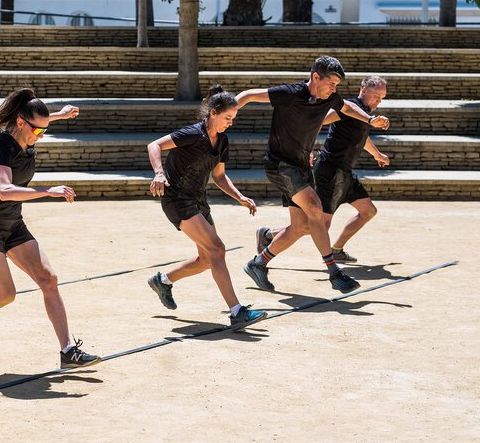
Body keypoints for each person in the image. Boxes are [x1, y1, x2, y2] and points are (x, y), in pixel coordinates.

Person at [0, 88, 101, 369]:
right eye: (38, 131)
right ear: (20, 122)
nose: (42, 135)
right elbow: (4, 190)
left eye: (45, 130)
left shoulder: (29, 133)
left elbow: (39, 123)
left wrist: (60, 115)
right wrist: (47, 191)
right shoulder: (2, 145)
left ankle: (67, 351)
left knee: (48, 279)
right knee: (5, 294)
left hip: (12, 223)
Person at [235, 56, 390, 294]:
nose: (334, 89)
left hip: (301, 166)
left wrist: (370, 120)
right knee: (316, 210)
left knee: (301, 227)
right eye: (331, 83)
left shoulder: (331, 98)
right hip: (281, 164)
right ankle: (334, 272)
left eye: (337, 85)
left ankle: (258, 264)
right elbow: (248, 95)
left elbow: (346, 108)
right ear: (316, 77)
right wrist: (227, 113)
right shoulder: (290, 93)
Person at [146, 85, 268, 328]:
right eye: (227, 118)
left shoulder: (222, 141)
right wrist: (159, 173)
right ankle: (237, 311)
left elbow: (219, 177)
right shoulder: (192, 133)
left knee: (206, 259)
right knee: (217, 249)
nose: (231, 123)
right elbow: (154, 145)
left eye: (233, 118)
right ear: (213, 113)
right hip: (176, 198)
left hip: (198, 199)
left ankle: (163, 281)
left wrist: (239, 197)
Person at [256, 76, 390, 263]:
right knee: (316, 227)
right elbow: (319, 120)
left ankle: (336, 250)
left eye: (381, 98)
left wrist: (377, 155)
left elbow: (362, 136)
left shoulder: (364, 114)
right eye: (376, 96)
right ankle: (268, 235)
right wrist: (307, 147)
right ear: (364, 90)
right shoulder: (349, 107)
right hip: (330, 171)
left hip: (345, 174)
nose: (378, 101)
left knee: (368, 211)